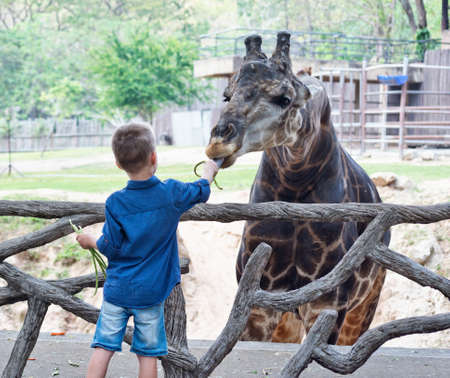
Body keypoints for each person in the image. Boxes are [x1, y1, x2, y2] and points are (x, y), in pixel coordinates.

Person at [75, 123, 218, 378]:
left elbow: (110, 247)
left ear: (118, 164)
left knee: (103, 347)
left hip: (118, 290)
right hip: (151, 293)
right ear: (154, 157)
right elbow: (200, 190)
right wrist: (210, 171)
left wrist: (91, 241)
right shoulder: (171, 193)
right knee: (148, 353)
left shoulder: (116, 202)